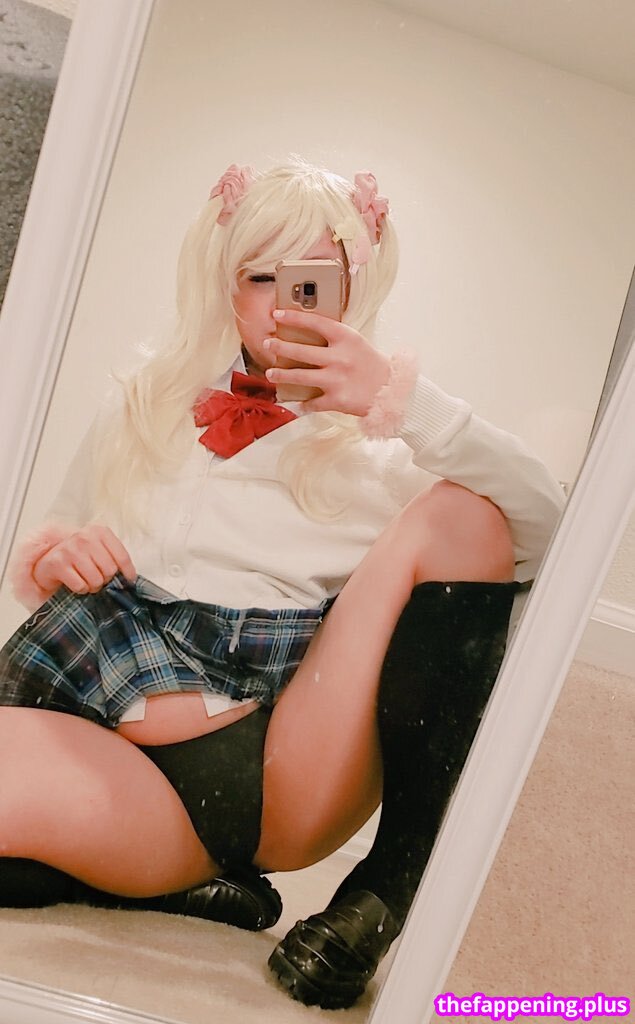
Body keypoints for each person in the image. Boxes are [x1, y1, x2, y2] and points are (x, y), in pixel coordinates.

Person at [0, 161, 565, 1009]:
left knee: (462, 514)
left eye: (308, 282)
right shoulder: (144, 405)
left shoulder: (387, 448)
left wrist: (401, 402)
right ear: (224, 283)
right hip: (113, 754)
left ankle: (389, 887)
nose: (279, 305)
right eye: (257, 276)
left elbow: (549, 530)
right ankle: (174, 886)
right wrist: (57, 561)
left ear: (353, 290)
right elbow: (54, 542)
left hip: (278, 762)